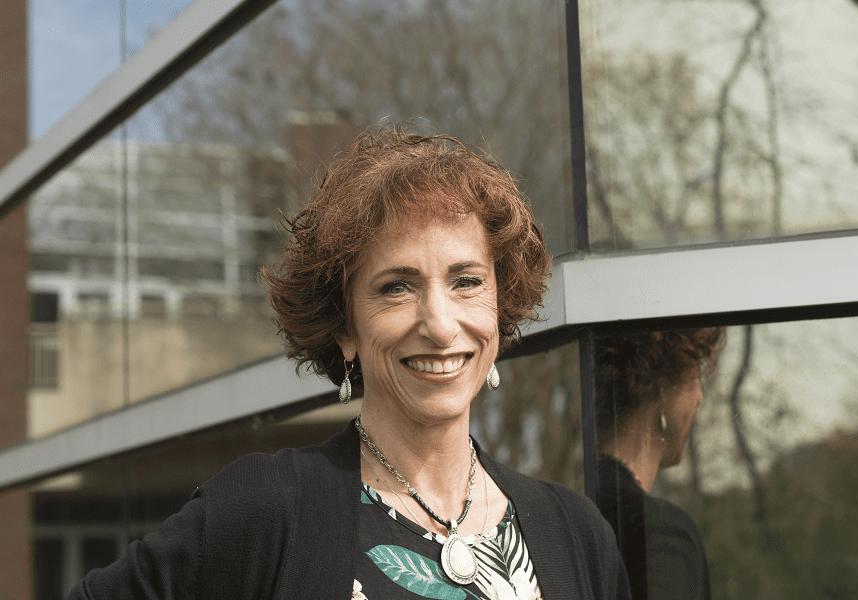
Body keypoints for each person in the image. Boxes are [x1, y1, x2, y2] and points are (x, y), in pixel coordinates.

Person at [68, 126, 631, 599]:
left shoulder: (577, 535)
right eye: (396, 288)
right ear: (345, 329)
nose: (439, 324)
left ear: (499, 304)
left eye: (466, 281)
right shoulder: (266, 510)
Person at [593, 328, 725, 600]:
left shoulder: (567, 500)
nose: (699, 398)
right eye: (695, 375)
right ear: (662, 388)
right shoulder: (657, 533)